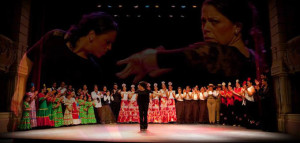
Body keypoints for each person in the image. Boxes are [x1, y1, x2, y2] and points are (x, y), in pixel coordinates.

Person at [116, 0, 263, 88]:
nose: (205, 28)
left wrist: (152, 58)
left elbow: (204, 54)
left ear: (237, 27)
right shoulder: (250, 55)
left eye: (214, 22)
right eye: (203, 21)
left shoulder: (230, 57)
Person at [10, 12, 118, 130]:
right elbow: (28, 57)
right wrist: (19, 90)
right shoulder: (55, 37)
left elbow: (101, 104)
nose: (109, 48)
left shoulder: (94, 68)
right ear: (92, 35)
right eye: (107, 42)